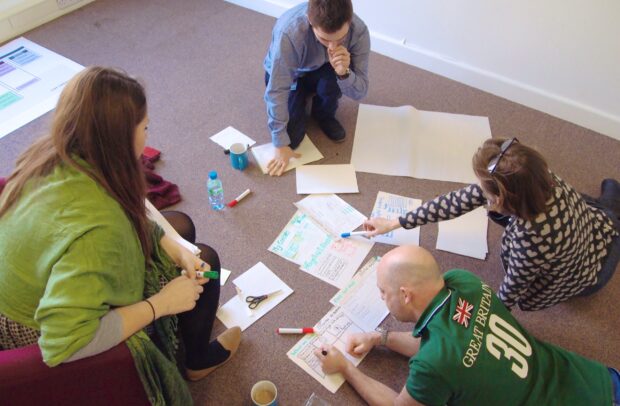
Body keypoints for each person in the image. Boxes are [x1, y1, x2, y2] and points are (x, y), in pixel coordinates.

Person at [0, 67, 241, 404]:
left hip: (26, 287)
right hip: (39, 326)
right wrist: (161, 304)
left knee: (181, 228)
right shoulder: (97, 234)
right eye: (144, 127)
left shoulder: (56, 154)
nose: (147, 134)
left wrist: (172, 245)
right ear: (118, 140)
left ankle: (186, 328)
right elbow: (64, 343)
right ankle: (196, 360)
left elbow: (126, 214)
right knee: (209, 260)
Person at [315, 245, 620, 405]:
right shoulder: (464, 280)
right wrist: (380, 337)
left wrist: (345, 368)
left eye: (383, 291)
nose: (382, 298)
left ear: (405, 295)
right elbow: (443, 340)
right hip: (597, 380)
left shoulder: (433, 365)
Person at [364, 138, 620, 311]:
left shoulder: (530, 240)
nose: (478, 192)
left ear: (501, 197)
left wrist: (479, 320)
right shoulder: (537, 177)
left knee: (611, 220)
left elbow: (510, 294)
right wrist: (395, 223)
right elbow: (457, 201)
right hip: (590, 224)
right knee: (603, 211)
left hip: (591, 272)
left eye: (485, 191)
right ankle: (611, 207)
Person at [263, 0, 370, 176]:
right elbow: (277, 89)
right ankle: (301, 98)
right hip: (292, 74)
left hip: (324, 69)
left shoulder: (360, 32)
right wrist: (280, 143)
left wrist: (344, 73)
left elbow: (360, 92)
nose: (332, 47)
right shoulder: (289, 32)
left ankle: (323, 114)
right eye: (324, 39)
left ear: (349, 22)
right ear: (310, 22)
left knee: (333, 79)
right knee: (291, 139)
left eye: (340, 38)